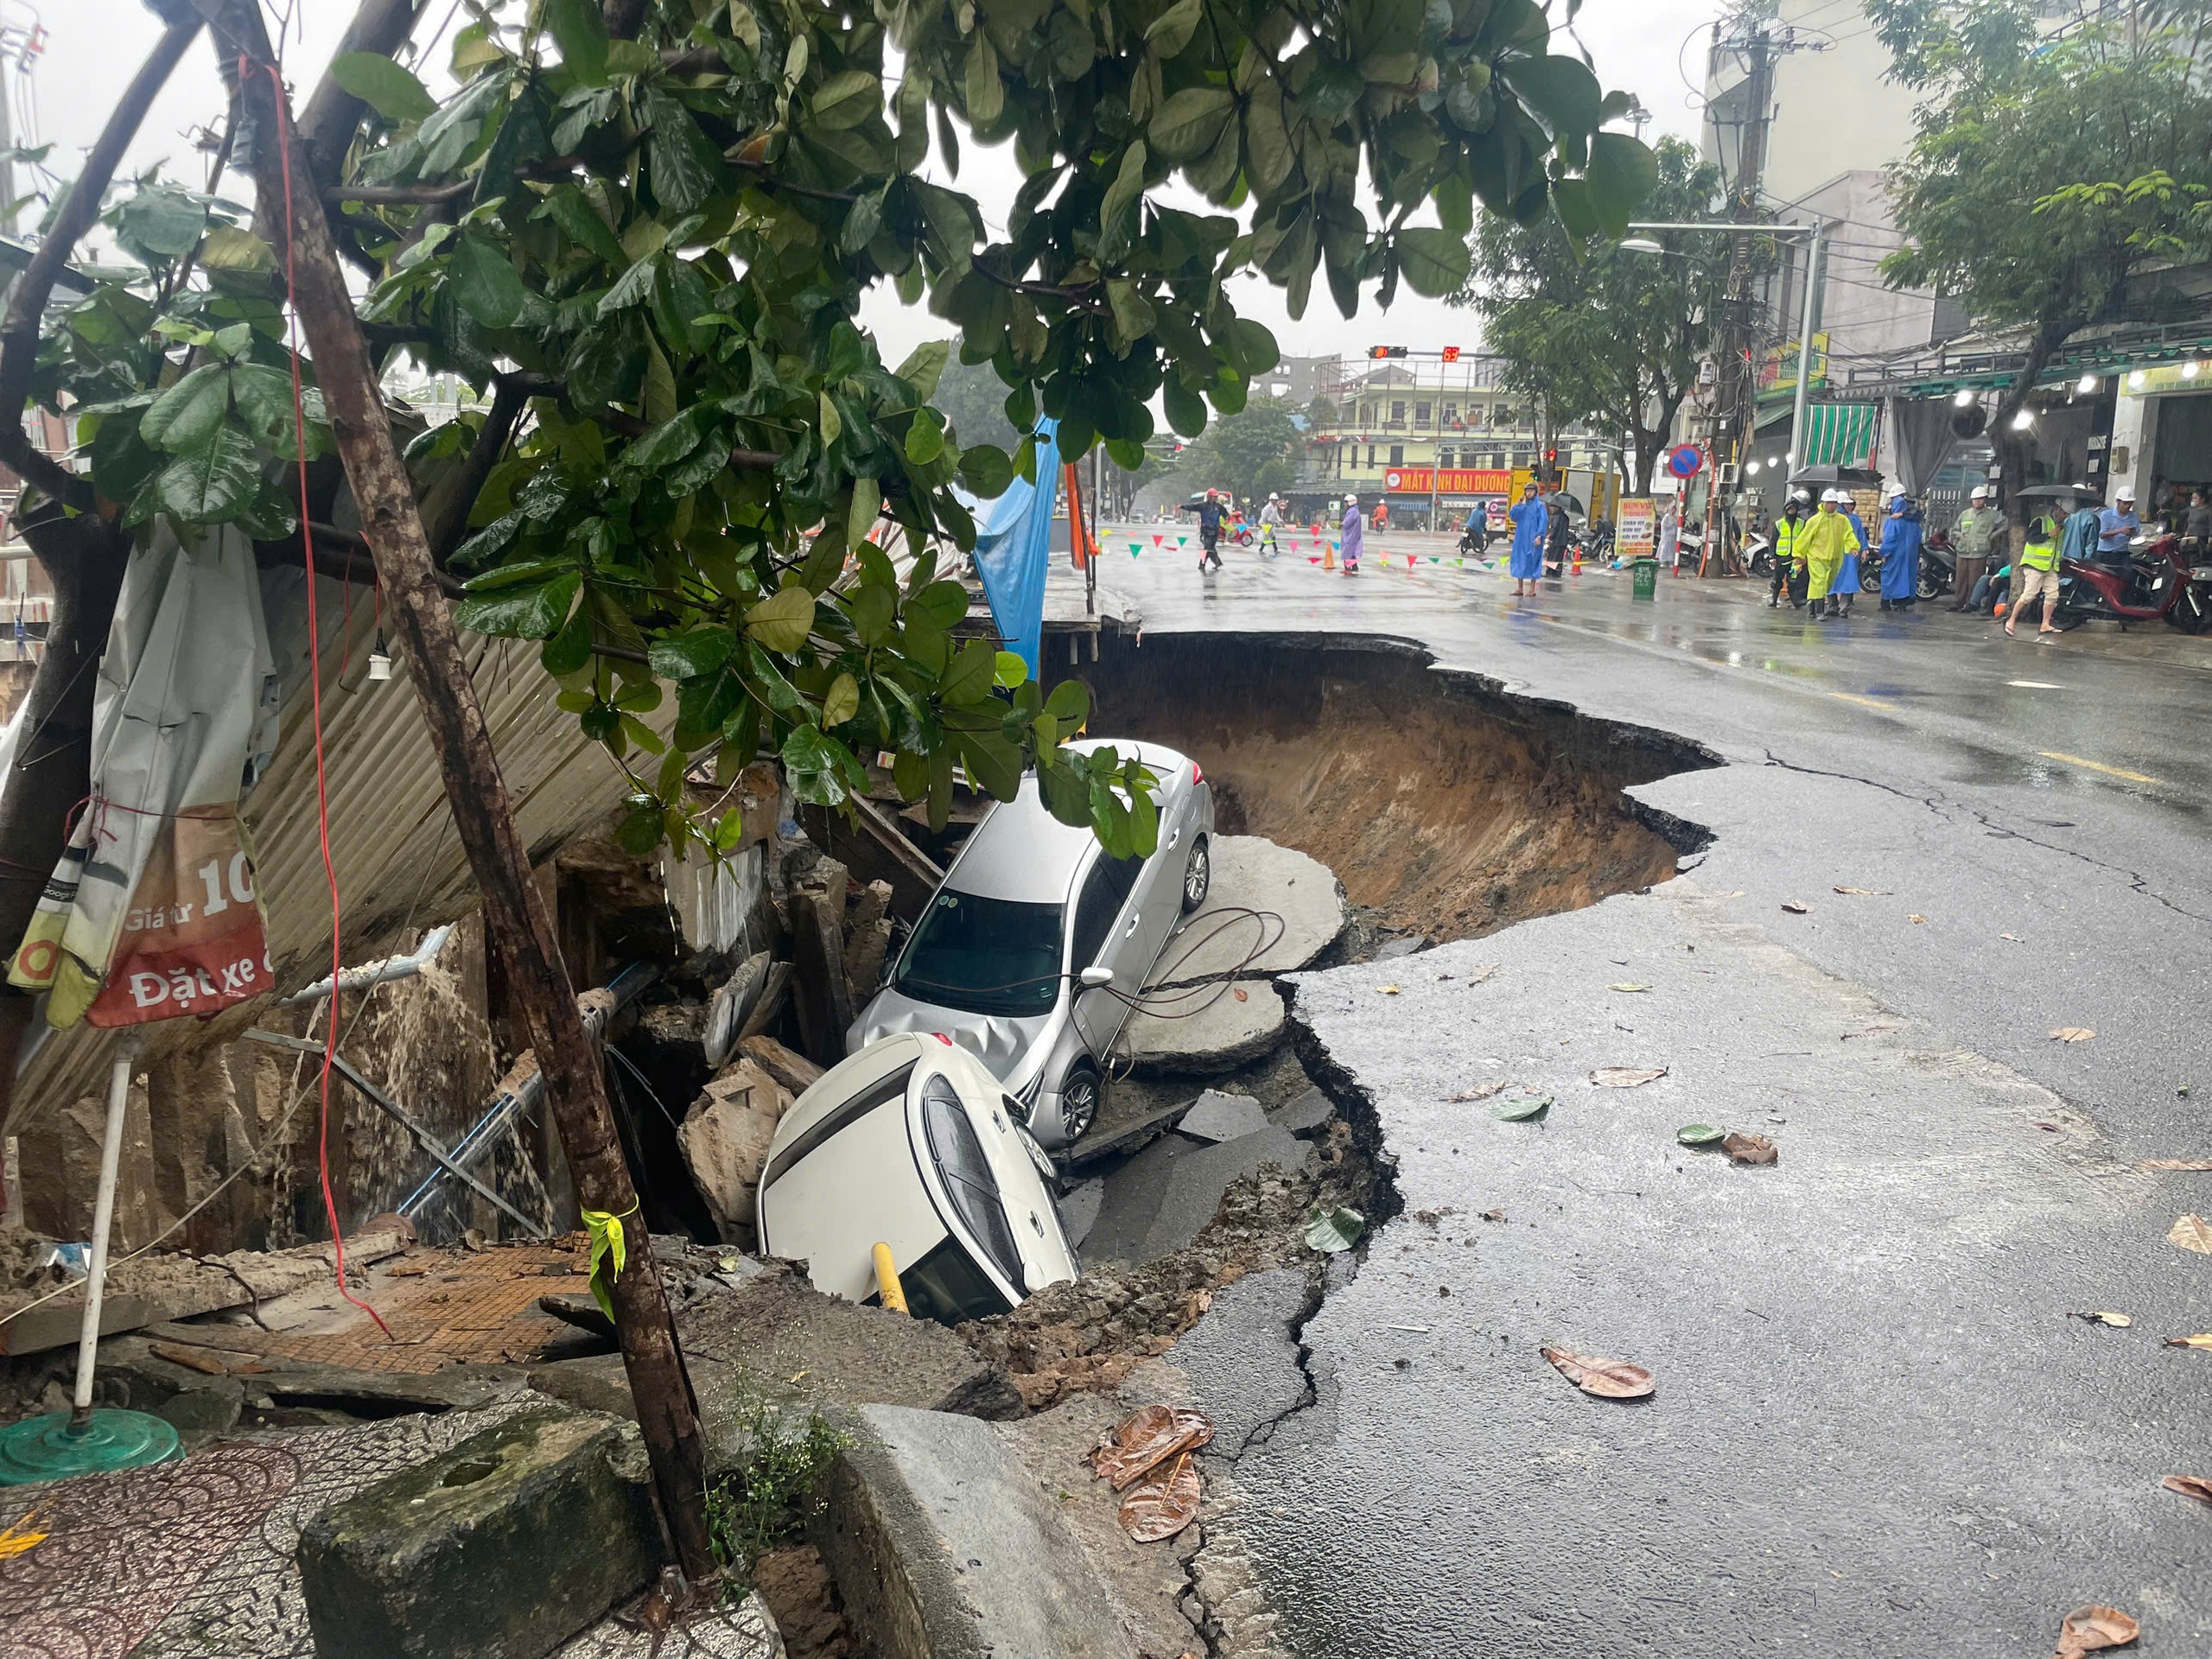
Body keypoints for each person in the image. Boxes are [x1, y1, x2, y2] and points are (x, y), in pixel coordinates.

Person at [1800, 489, 1862, 620]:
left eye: (1834, 503)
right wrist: (1799, 555)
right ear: (1823, 503)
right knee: (1819, 581)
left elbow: (1848, 534)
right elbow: (1805, 538)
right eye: (1829, 502)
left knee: (1827, 584)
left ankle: (1812, 605)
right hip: (1816, 556)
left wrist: (1853, 546)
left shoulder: (1842, 520)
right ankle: (1819, 612)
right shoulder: (1815, 520)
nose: (1831, 505)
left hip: (1834, 557)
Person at [1948, 486, 2003, 613]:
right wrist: (1959, 537)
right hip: (1963, 551)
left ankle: (1971, 603)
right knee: (1960, 579)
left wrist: (1992, 535)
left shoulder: (1992, 515)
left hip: (1979, 552)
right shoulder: (1965, 514)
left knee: (1975, 580)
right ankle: (1958, 602)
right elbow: (1955, 529)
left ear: (1984, 500)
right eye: (1975, 499)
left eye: (1980, 499)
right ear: (1972, 500)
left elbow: (2005, 525)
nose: (1977, 501)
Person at [2007, 514, 2063, 638]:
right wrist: (2049, 534)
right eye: (2064, 513)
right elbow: (2030, 538)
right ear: (2058, 510)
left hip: (2051, 566)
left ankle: (2045, 624)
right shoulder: (2041, 521)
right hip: (2034, 565)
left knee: (2053, 595)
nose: (2065, 517)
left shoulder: (2061, 527)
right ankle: (2011, 621)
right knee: (2029, 595)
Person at [1878, 493, 1924, 612]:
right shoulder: (1915, 524)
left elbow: (1889, 540)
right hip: (1910, 556)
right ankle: (1902, 603)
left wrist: (1884, 554)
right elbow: (1919, 539)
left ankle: (1886, 603)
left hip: (1895, 555)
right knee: (1907, 576)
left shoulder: (1892, 522)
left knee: (1890, 577)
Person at [1507, 481, 1548, 596]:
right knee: (1519, 561)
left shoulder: (1540, 506)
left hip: (1534, 539)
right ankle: (1520, 588)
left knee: (1533, 561)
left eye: (1531, 491)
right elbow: (1513, 517)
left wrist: (1540, 535)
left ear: (1535, 493)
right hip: (1521, 538)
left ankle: (1532, 589)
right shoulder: (1522, 506)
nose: (1529, 493)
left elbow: (1543, 521)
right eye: (1527, 491)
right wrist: (1518, 505)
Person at [1770, 491, 1808, 607]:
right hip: (1781, 558)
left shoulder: (1801, 523)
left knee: (1794, 581)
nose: (1792, 511)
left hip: (1794, 558)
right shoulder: (1779, 524)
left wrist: (1803, 556)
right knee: (1777, 581)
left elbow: (1805, 540)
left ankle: (1796, 602)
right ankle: (1774, 600)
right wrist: (1772, 557)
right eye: (1790, 509)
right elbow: (1773, 541)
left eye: (1794, 509)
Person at [2097, 485, 2140, 568]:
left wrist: (2132, 533)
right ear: (2118, 501)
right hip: (2106, 553)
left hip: (2123, 553)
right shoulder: (2106, 515)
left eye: (2130, 503)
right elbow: (2102, 535)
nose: (2128, 506)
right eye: (2125, 503)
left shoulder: (2134, 517)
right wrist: (2120, 531)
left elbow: (2136, 536)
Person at [1196, 488, 1224, 571]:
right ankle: (1216, 562)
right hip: (1206, 531)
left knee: (1207, 548)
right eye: (1213, 497)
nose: (1215, 498)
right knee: (1210, 548)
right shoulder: (1205, 506)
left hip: (1214, 531)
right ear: (1209, 497)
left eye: (1216, 497)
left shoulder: (1217, 507)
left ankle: (1202, 564)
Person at [1340, 492, 1363, 575]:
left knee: (1347, 551)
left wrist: (1341, 524)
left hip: (1350, 534)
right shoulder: (1354, 510)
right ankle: (1354, 567)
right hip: (1353, 534)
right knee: (1352, 551)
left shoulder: (1352, 511)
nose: (1345, 504)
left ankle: (1348, 568)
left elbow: (1348, 522)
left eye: (1346, 502)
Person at [1257, 492, 1284, 559]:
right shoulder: (1267, 508)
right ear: (1271, 500)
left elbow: (1276, 515)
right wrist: (1261, 524)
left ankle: (1264, 549)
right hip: (1267, 524)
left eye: (1276, 500)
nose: (1275, 501)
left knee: (1271, 537)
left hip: (1272, 524)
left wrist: (1280, 521)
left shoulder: (1275, 507)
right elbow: (1263, 516)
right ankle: (1274, 550)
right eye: (1274, 500)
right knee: (1270, 537)